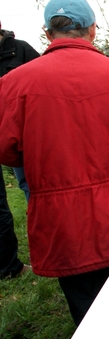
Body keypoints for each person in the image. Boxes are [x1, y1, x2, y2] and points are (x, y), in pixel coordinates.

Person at [0, 0, 109, 325]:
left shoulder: (14, 84)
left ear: (47, 33)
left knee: (86, 307)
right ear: (93, 30)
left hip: (62, 219)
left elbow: (7, 149)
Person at [0, 22, 38, 280]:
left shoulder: (21, 51)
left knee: (31, 187)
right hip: (7, 137)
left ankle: (40, 236)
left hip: (25, 136)